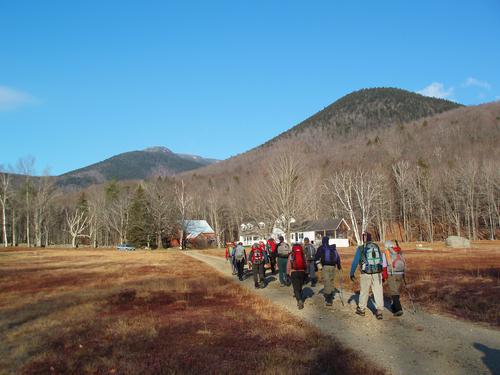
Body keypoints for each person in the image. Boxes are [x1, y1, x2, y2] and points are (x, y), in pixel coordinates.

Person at [349, 232, 387, 320]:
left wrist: (351, 273)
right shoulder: (376, 246)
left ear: (363, 239)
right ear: (371, 238)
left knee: (364, 291)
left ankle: (362, 309)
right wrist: (383, 273)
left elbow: (355, 261)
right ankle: (379, 311)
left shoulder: (361, 248)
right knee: (378, 291)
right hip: (377, 272)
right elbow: (381, 260)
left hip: (365, 272)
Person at [315, 236, 341, 306]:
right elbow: (338, 257)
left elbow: (316, 258)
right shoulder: (332, 248)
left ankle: (329, 300)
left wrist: (316, 268)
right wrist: (339, 266)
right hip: (333, 267)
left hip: (325, 267)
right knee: (331, 281)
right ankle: (331, 294)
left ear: (323, 241)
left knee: (327, 282)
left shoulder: (321, 248)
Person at [384, 240, 405, 316]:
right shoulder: (399, 251)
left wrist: (384, 276)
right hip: (401, 273)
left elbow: (384, 265)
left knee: (393, 291)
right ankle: (394, 307)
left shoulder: (387, 252)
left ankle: (398, 309)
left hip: (392, 273)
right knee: (396, 291)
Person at [287, 242, 308, 309]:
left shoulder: (291, 255)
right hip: (302, 272)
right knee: (300, 286)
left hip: (294, 272)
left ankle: (299, 300)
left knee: (296, 288)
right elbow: (306, 263)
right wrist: (306, 272)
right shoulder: (302, 254)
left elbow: (289, 265)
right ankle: (300, 296)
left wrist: (287, 273)